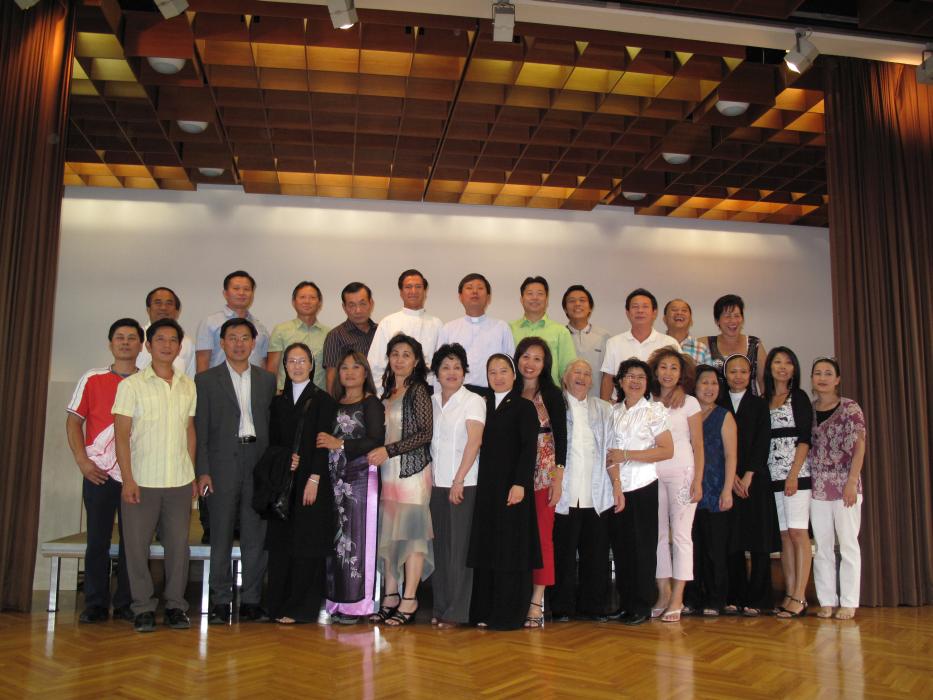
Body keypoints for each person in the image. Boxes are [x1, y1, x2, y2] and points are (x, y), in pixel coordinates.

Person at [112, 318, 197, 633]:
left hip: (178, 480)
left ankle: (175, 606)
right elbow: (122, 436)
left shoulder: (188, 385)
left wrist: (191, 473)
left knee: (179, 548)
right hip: (142, 481)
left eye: (173, 340)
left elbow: (189, 431)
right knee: (136, 547)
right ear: (148, 346)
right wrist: (128, 479)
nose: (167, 345)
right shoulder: (131, 386)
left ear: (179, 346)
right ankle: (143, 608)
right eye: (160, 339)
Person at [195, 318, 276, 624]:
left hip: (258, 461)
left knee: (256, 534)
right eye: (232, 338)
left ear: (254, 343)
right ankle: (220, 600)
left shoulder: (267, 380)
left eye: (245, 338)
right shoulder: (205, 380)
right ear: (222, 343)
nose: (239, 343)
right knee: (221, 533)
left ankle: (252, 600)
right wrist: (202, 471)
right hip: (221, 465)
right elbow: (200, 429)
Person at [66, 318, 143, 623]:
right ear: (110, 343)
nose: (125, 342)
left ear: (141, 345)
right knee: (97, 540)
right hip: (98, 473)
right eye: (119, 337)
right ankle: (96, 603)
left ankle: (126, 602)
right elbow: (74, 422)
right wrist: (83, 461)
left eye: (132, 337)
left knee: (133, 543)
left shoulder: (148, 382)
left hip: (135, 475)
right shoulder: (92, 378)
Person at [265, 343, 338, 624]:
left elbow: (323, 444)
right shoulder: (278, 402)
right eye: (291, 361)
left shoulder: (323, 400)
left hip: (311, 481)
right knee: (281, 544)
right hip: (283, 482)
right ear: (284, 366)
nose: (296, 366)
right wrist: (283, 460)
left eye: (302, 360)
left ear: (311, 365)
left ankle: (301, 608)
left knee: (307, 544)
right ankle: (277, 605)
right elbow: (272, 442)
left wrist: (314, 478)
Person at [467, 354, 540, 630]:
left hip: (513, 487)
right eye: (492, 372)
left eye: (503, 371)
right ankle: (483, 611)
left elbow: (529, 448)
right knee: (487, 547)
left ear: (514, 375)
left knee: (511, 549)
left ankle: (509, 614)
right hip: (486, 488)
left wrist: (521, 483)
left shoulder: (524, 406)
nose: (498, 377)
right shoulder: (481, 405)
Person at [366, 334, 434, 626]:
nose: (400, 359)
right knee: (390, 534)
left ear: (416, 361)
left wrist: (389, 450)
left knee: (412, 535)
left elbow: (425, 434)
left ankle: (410, 598)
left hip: (412, 474)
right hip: (388, 474)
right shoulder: (386, 393)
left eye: (407, 354)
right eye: (395, 353)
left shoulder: (418, 391)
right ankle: (390, 596)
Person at [317, 349, 385, 625]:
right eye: (344, 367)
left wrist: (341, 444)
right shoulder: (334, 403)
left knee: (357, 540)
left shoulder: (371, 403)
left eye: (355, 367)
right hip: (334, 480)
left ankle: (358, 605)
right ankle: (336, 602)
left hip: (360, 480)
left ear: (365, 372)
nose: (349, 372)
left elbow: (376, 439)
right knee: (336, 542)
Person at [606, 358, 674, 625]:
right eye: (629, 376)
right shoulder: (613, 411)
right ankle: (625, 604)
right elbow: (609, 454)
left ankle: (642, 605)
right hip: (618, 488)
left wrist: (627, 454)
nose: (635, 381)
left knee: (642, 549)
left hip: (644, 486)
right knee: (621, 548)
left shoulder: (653, 411)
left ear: (647, 383)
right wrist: (616, 485)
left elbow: (667, 450)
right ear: (620, 381)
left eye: (640, 377)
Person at [551, 359, 614, 622]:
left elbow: (611, 448)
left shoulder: (604, 409)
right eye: (576, 372)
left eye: (587, 374)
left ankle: (594, 606)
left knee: (596, 553)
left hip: (596, 491)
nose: (582, 377)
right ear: (565, 378)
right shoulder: (554, 405)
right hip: (564, 491)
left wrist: (616, 486)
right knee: (562, 552)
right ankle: (561, 607)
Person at [429, 343, 486, 627]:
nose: (451, 372)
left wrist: (459, 479)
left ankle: (457, 611)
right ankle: (440, 607)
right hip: (435, 484)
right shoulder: (431, 401)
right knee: (439, 549)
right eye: (445, 367)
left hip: (463, 483)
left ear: (464, 372)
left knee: (458, 551)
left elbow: (474, 442)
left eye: (457, 367)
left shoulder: (473, 400)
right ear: (436, 373)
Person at [807, 357, 866, 621]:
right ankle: (827, 601)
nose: (822, 378)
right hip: (817, 488)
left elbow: (860, 445)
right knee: (822, 546)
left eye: (828, 373)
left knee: (848, 544)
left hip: (845, 486)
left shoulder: (850, 408)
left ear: (837, 379)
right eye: (818, 373)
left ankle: (849, 602)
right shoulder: (809, 409)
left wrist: (852, 481)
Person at [719, 353, 778, 617]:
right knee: (731, 541)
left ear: (751, 374)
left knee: (758, 541)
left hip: (756, 480)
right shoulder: (718, 403)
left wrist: (748, 476)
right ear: (725, 374)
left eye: (743, 371)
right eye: (733, 371)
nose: (738, 376)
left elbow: (763, 442)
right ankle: (734, 596)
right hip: (726, 481)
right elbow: (715, 445)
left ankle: (759, 599)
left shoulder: (759, 404)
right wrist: (731, 476)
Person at [648, 347, 704, 623]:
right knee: (657, 536)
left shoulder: (690, 402)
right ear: (655, 371)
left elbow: (698, 444)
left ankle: (678, 598)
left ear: (681, 374)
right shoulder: (647, 400)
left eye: (674, 368)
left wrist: (698, 480)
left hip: (682, 472)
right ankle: (663, 593)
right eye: (663, 367)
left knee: (681, 536)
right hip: (651, 474)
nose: (668, 373)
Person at [514, 336, 567, 627]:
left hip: (544, 473)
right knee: (516, 537)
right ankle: (517, 597)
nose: (530, 363)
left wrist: (558, 478)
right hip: (512, 474)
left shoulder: (552, 394)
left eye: (537, 358)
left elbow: (562, 438)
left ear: (545, 364)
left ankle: (536, 601)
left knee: (543, 536)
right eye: (525, 356)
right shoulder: (508, 390)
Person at [763, 346, 814, 619]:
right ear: (769, 367)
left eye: (788, 363)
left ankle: (800, 596)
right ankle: (789, 592)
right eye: (777, 362)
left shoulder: (799, 397)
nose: (782, 367)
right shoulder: (765, 399)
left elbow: (805, 438)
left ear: (794, 369)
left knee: (797, 533)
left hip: (797, 475)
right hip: (772, 477)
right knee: (784, 536)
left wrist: (793, 474)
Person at [687, 364, 737, 616]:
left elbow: (731, 456)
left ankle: (716, 600)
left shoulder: (724, 416)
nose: (709, 388)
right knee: (691, 548)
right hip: (688, 490)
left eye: (714, 383)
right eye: (704, 382)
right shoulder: (687, 413)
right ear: (694, 386)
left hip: (716, 489)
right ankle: (691, 598)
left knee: (715, 549)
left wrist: (727, 490)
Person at [367, 270, 443, 391]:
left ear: (424, 291)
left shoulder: (437, 324)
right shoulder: (388, 323)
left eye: (418, 287)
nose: (413, 291)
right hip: (394, 391)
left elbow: (441, 365)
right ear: (401, 292)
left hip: (428, 391)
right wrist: (382, 395)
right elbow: (375, 365)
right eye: (408, 287)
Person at [600, 289, 681, 402]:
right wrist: (604, 407)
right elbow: (608, 379)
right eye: (635, 307)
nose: (640, 310)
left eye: (645, 306)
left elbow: (682, 375)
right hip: (622, 407)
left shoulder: (669, 343)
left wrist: (680, 389)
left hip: (658, 407)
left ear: (654, 312)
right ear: (628, 313)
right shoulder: (614, 342)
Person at [437, 273, 513, 392]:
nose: (475, 292)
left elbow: (511, 366)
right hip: (457, 393)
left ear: (488, 297)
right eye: (469, 288)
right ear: (460, 297)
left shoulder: (501, 327)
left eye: (480, 288)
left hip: (492, 394)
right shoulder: (448, 328)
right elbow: (439, 367)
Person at [195, 270, 269, 373]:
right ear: (225, 293)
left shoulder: (260, 327)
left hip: (254, 382)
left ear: (252, 294)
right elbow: (202, 360)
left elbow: (263, 363)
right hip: (218, 381)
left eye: (246, 289)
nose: (241, 293)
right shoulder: (210, 323)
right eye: (236, 288)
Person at [510, 276, 577, 386]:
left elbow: (568, 372)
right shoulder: (509, 329)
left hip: (550, 393)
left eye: (540, 294)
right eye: (530, 293)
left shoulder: (561, 331)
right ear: (521, 300)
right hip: (515, 392)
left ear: (546, 300)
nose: (535, 298)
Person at [267, 281, 329, 392]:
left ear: (319, 303)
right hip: (286, 396)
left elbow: (330, 371)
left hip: (318, 396)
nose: (307, 301)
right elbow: (272, 369)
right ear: (293, 302)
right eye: (302, 297)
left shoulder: (329, 334)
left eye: (312, 297)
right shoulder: (280, 330)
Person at [703, 294, 767, 396]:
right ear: (717, 320)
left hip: (750, 404)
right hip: (715, 405)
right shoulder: (705, 343)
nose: (733, 321)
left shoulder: (754, 344)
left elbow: (765, 383)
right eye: (727, 316)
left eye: (737, 316)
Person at [322, 282, 378, 396]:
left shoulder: (381, 331)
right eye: (352, 305)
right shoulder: (335, 335)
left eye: (362, 303)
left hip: (382, 398)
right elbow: (331, 377)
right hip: (349, 400)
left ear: (371, 303)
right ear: (344, 307)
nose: (358, 310)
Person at [562, 285, 611, 398]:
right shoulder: (559, 335)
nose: (577, 304)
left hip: (597, 401)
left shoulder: (605, 337)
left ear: (590, 308)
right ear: (565, 309)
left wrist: (604, 403)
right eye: (572, 301)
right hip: (564, 402)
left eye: (582, 300)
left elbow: (608, 375)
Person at [136, 286, 196, 377]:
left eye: (169, 303)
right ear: (148, 309)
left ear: (177, 311)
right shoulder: (136, 338)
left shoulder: (187, 343)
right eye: (158, 303)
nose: (163, 307)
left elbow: (190, 377)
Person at [662, 298, 712, 366]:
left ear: (691, 320)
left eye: (684, 310)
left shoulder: (702, 349)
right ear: (664, 319)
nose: (679, 313)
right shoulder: (657, 345)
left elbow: (708, 373)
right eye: (674, 310)